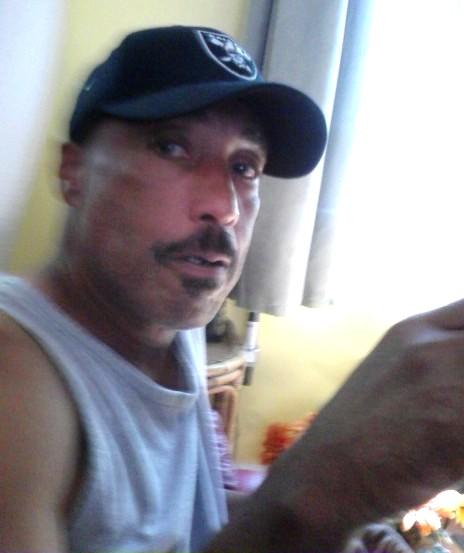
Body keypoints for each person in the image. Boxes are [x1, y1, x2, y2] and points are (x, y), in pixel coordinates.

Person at [1, 24, 464, 553]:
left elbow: (179, 521)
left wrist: (332, 527)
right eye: (171, 146)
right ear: (74, 172)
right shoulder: (17, 382)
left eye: (244, 167)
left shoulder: (173, 322)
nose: (224, 207)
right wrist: (321, 496)